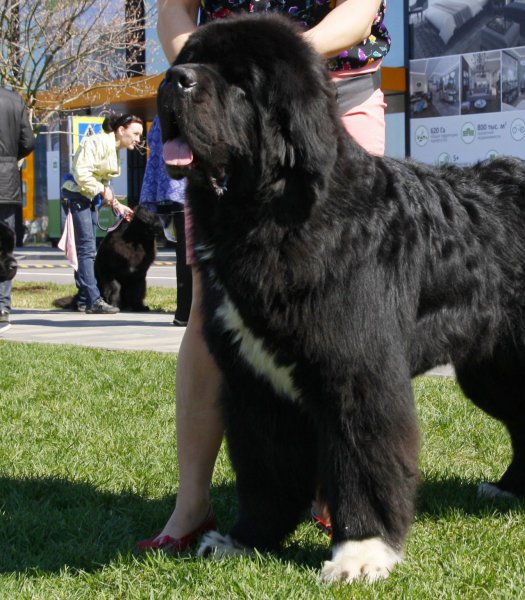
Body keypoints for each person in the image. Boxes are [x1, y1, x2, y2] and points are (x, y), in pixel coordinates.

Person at [137, 0, 390, 552]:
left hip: (332, 98)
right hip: (222, 107)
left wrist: (281, 58)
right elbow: (173, 11)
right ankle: (193, 506)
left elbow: (360, 11)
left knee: (342, 314)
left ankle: (346, 501)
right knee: (217, 312)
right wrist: (199, 71)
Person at [61, 112, 141, 314]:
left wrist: (117, 205)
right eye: (136, 133)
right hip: (76, 197)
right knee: (87, 249)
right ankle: (92, 300)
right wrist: (101, 190)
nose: (138, 139)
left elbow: (103, 184)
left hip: (87, 198)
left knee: (86, 249)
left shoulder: (114, 150)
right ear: (121, 130)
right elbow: (82, 174)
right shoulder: (95, 143)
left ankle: (82, 297)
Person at [139, 119, 191, 326]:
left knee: (184, 252)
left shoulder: (162, 115)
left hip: (172, 188)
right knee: (192, 254)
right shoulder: (194, 104)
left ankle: (184, 311)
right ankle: (188, 312)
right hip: (193, 188)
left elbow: (153, 143)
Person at [0, 86, 36, 333]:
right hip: (7, 183)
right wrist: (11, 157)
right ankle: (3, 308)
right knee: (4, 249)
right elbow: (29, 141)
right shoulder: (14, 100)